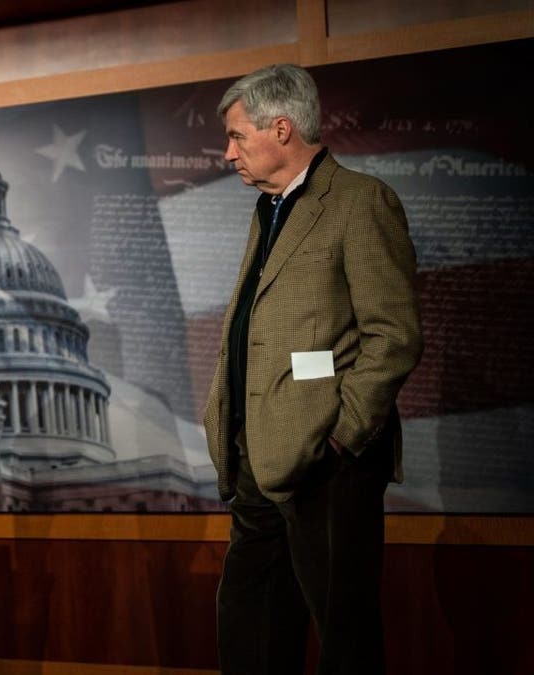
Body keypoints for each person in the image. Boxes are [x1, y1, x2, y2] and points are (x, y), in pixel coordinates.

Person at [203, 63, 423, 675]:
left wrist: (340, 436)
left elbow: (394, 335)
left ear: (281, 128)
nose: (228, 153)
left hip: (329, 469)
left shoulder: (360, 201)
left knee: (343, 637)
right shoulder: (268, 209)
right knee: (248, 628)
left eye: (238, 136)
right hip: (258, 461)